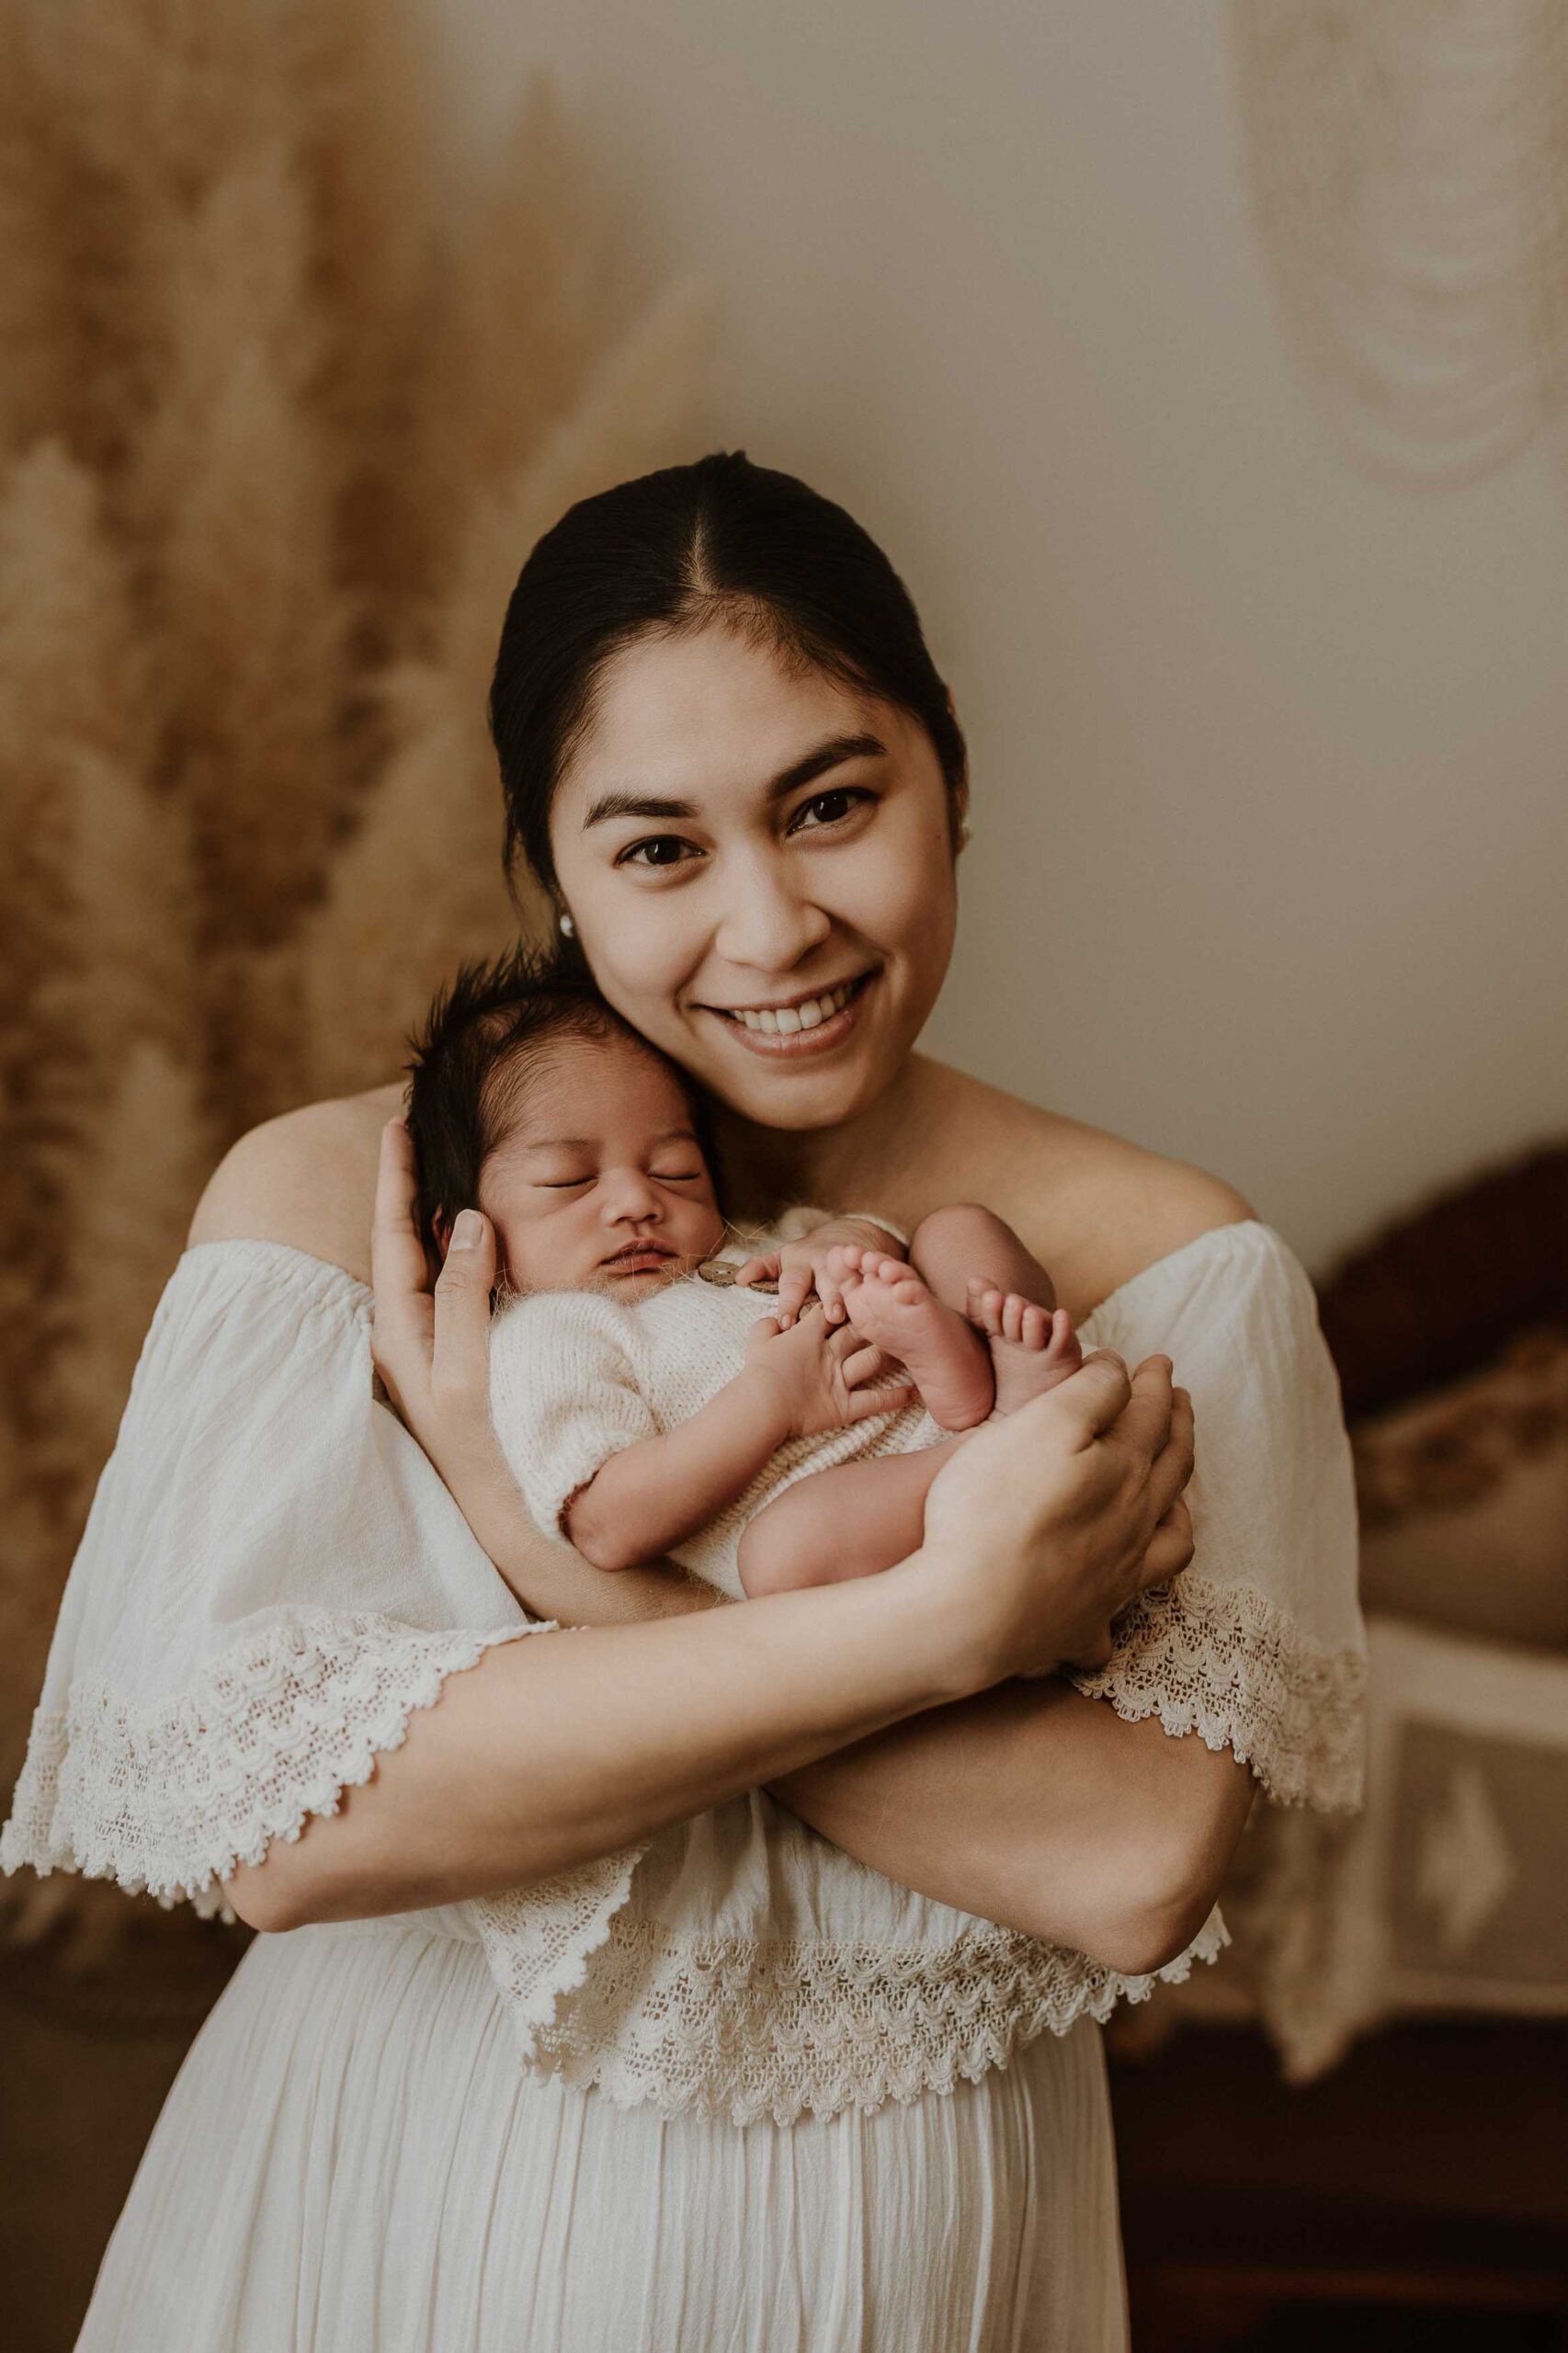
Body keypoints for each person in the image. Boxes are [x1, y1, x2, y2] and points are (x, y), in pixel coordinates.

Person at [1, 450, 1367, 2350]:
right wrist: (945, 1632)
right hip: (382, 2203)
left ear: (949, 778)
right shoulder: (353, 1215)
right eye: (657, 846)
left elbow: (1123, 1864)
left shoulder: (1165, 1271)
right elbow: (301, 1832)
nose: (770, 924)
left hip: (904, 2252)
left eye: (830, 804)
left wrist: (534, 1550)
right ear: (546, 863)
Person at [403, 940, 1085, 1601]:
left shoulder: (747, 1251)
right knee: (783, 1552)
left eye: (676, 1170)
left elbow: (880, 1250)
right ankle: (1001, 1443)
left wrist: (848, 1244)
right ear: (463, 1235)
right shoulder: (548, 1337)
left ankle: (992, 1368)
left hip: (944, 1382)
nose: (640, 1201)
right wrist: (771, 1402)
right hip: (870, 1501)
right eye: (569, 1181)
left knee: (958, 1228)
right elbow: (607, 1524)